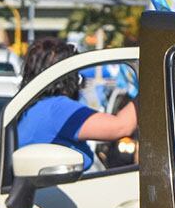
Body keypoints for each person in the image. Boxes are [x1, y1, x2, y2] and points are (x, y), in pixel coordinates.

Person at [16, 37, 138, 171]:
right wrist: (154, 86)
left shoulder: (34, 107)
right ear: (67, 76)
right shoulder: (57, 109)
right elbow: (122, 126)